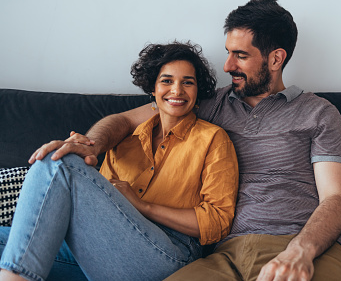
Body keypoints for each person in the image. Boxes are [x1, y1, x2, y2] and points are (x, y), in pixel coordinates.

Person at [28, 0, 341, 280]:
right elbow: (126, 120)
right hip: (226, 256)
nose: (227, 65)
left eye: (240, 56)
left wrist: (300, 251)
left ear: (275, 59)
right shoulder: (208, 104)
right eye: (228, 53)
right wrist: (92, 144)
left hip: (303, 246)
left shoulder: (319, 113)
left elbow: (337, 200)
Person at [0, 41, 239, 281]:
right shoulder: (126, 140)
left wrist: (142, 206)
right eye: (167, 81)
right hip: (108, 247)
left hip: (170, 254)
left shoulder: (213, 139)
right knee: (11, 237)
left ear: (197, 91)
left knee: (60, 160)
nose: (177, 90)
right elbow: (98, 209)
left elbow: (217, 221)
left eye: (188, 82)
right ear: (153, 89)